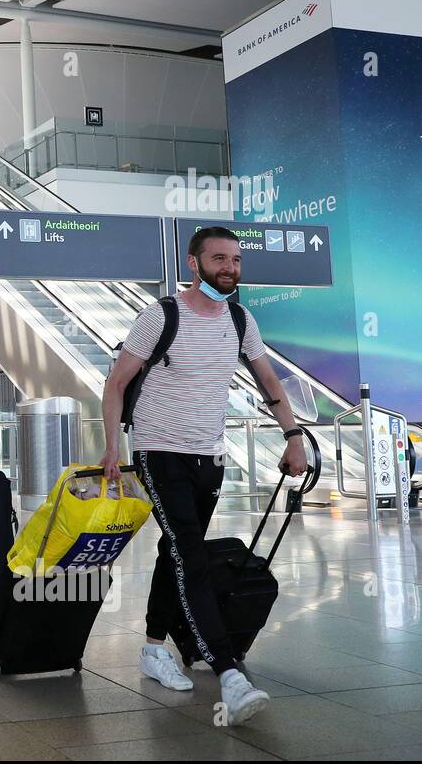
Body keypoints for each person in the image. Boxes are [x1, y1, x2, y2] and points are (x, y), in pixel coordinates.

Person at [101, 225, 308, 726]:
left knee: (175, 552)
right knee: (191, 554)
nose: (230, 268)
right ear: (195, 264)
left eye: (235, 260)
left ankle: (153, 649)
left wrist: (293, 435)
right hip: (158, 452)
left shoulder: (240, 319)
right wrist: (113, 445)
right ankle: (228, 672)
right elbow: (115, 384)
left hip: (208, 457)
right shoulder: (161, 316)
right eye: (219, 259)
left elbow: (267, 378)